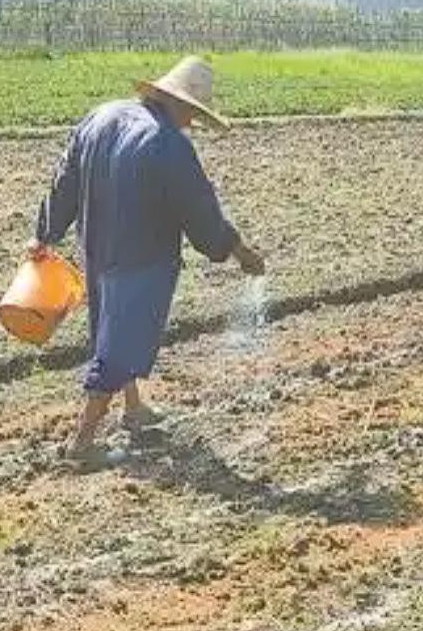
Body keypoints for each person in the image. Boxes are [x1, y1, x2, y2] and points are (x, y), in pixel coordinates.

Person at [29, 56, 265, 454]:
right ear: (179, 104)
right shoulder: (168, 144)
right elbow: (200, 212)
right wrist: (237, 250)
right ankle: (83, 442)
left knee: (112, 327)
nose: (190, 123)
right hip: (141, 255)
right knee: (121, 340)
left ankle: (134, 407)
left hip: (96, 247)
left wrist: (45, 234)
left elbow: (64, 179)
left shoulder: (100, 117)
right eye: (191, 113)